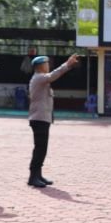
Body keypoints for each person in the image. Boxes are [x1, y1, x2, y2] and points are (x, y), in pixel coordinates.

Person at [27, 54, 80, 187]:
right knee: (39, 149)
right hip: (39, 119)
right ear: (41, 66)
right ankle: (33, 177)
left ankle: (38, 175)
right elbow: (53, 75)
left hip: (42, 119)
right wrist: (67, 64)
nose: (48, 66)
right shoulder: (39, 78)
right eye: (47, 64)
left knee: (42, 149)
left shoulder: (41, 79)